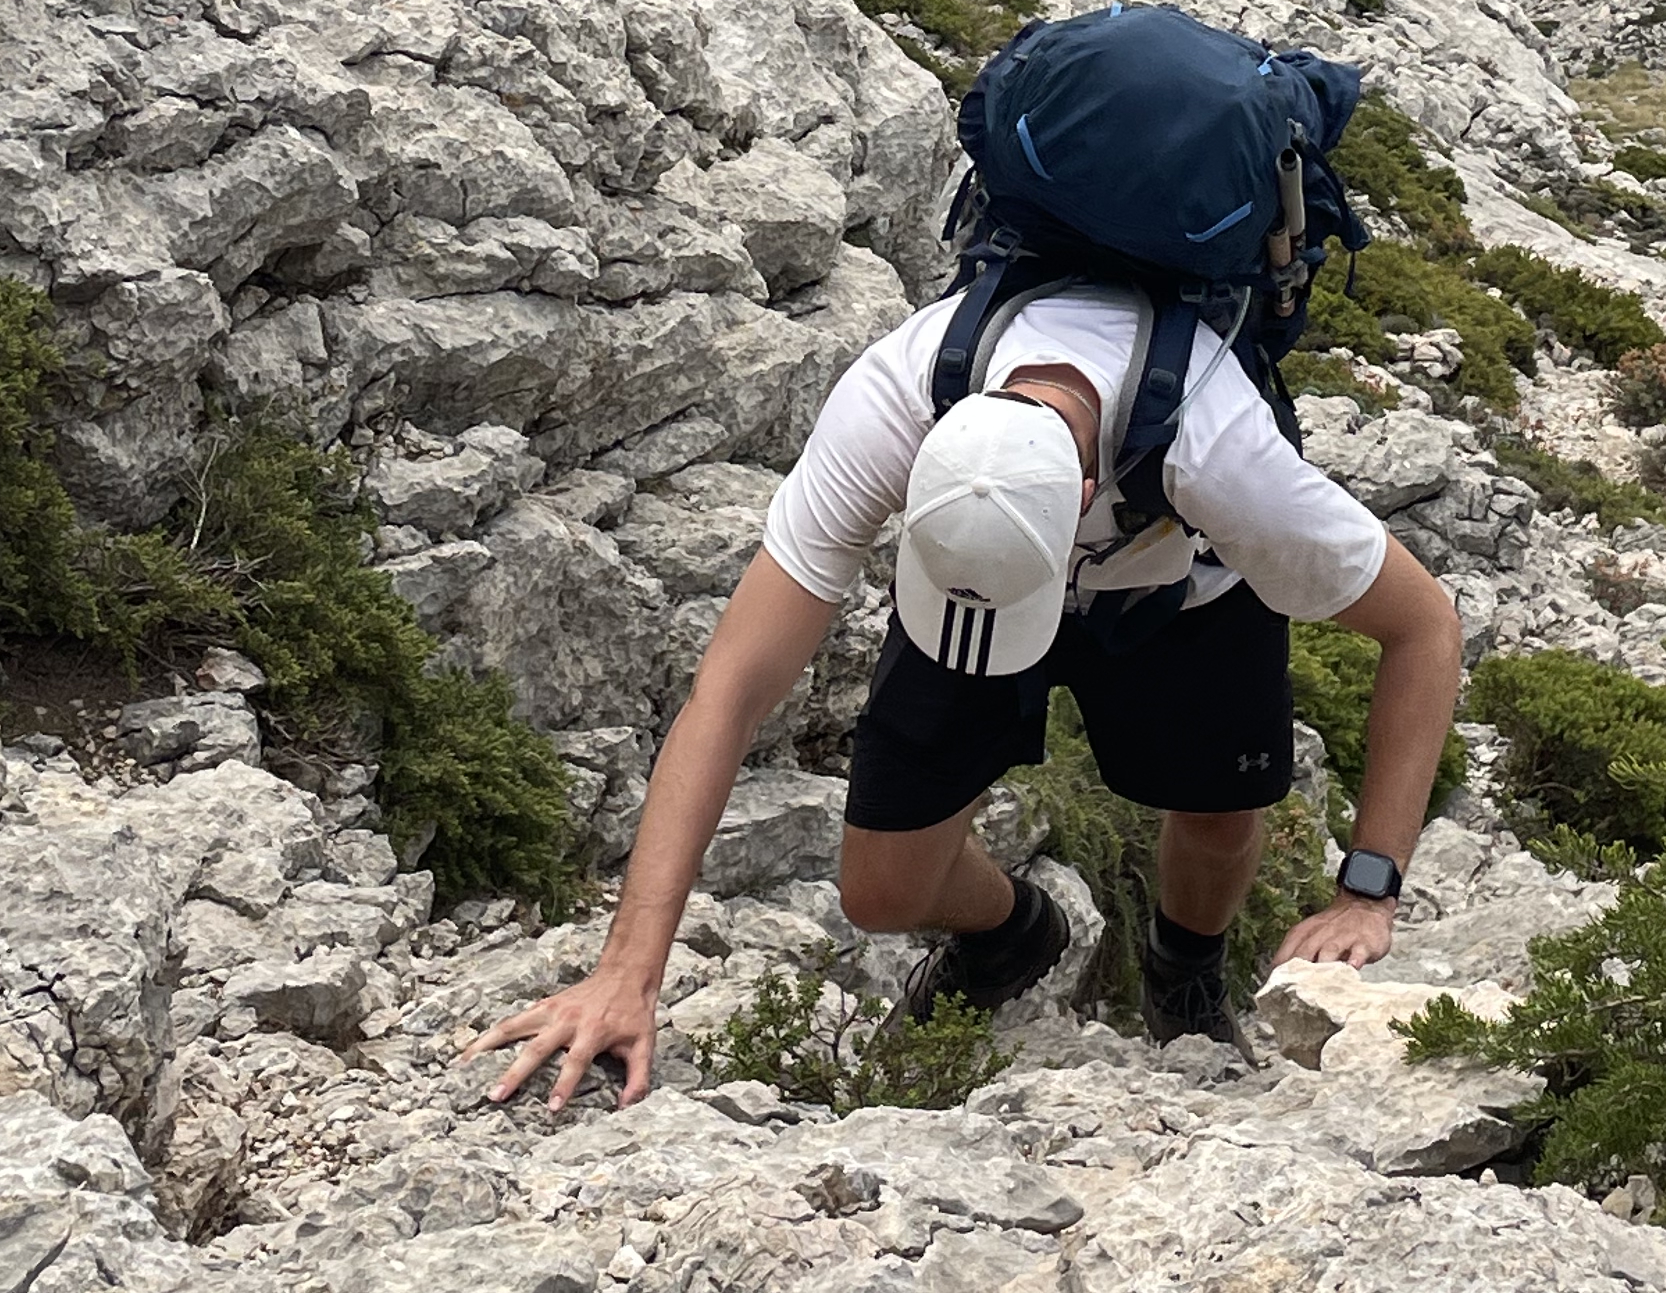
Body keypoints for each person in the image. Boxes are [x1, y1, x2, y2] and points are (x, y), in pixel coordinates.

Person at [466, 272, 1465, 1114]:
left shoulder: (1221, 447)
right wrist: (626, 972)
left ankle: (1183, 965)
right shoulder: (893, 401)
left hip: (1186, 589)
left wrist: (1367, 891)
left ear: (1083, 499)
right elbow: (729, 688)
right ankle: (1016, 934)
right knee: (882, 890)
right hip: (974, 564)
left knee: (1212, 813)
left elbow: (1424, 630)